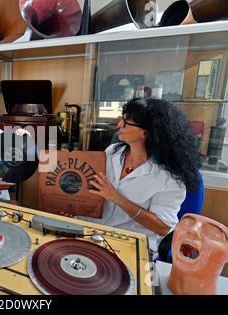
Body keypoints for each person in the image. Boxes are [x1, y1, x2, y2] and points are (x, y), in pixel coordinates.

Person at [82, 98, 200, 253]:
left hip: (129, 243)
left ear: (146, 132)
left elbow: (162, 228)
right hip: (93, 231)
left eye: (126, 123)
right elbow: (96, 190)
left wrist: (117, 198)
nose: (119, 126)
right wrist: (74, 206)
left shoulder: (168, 177)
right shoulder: (113, 151)